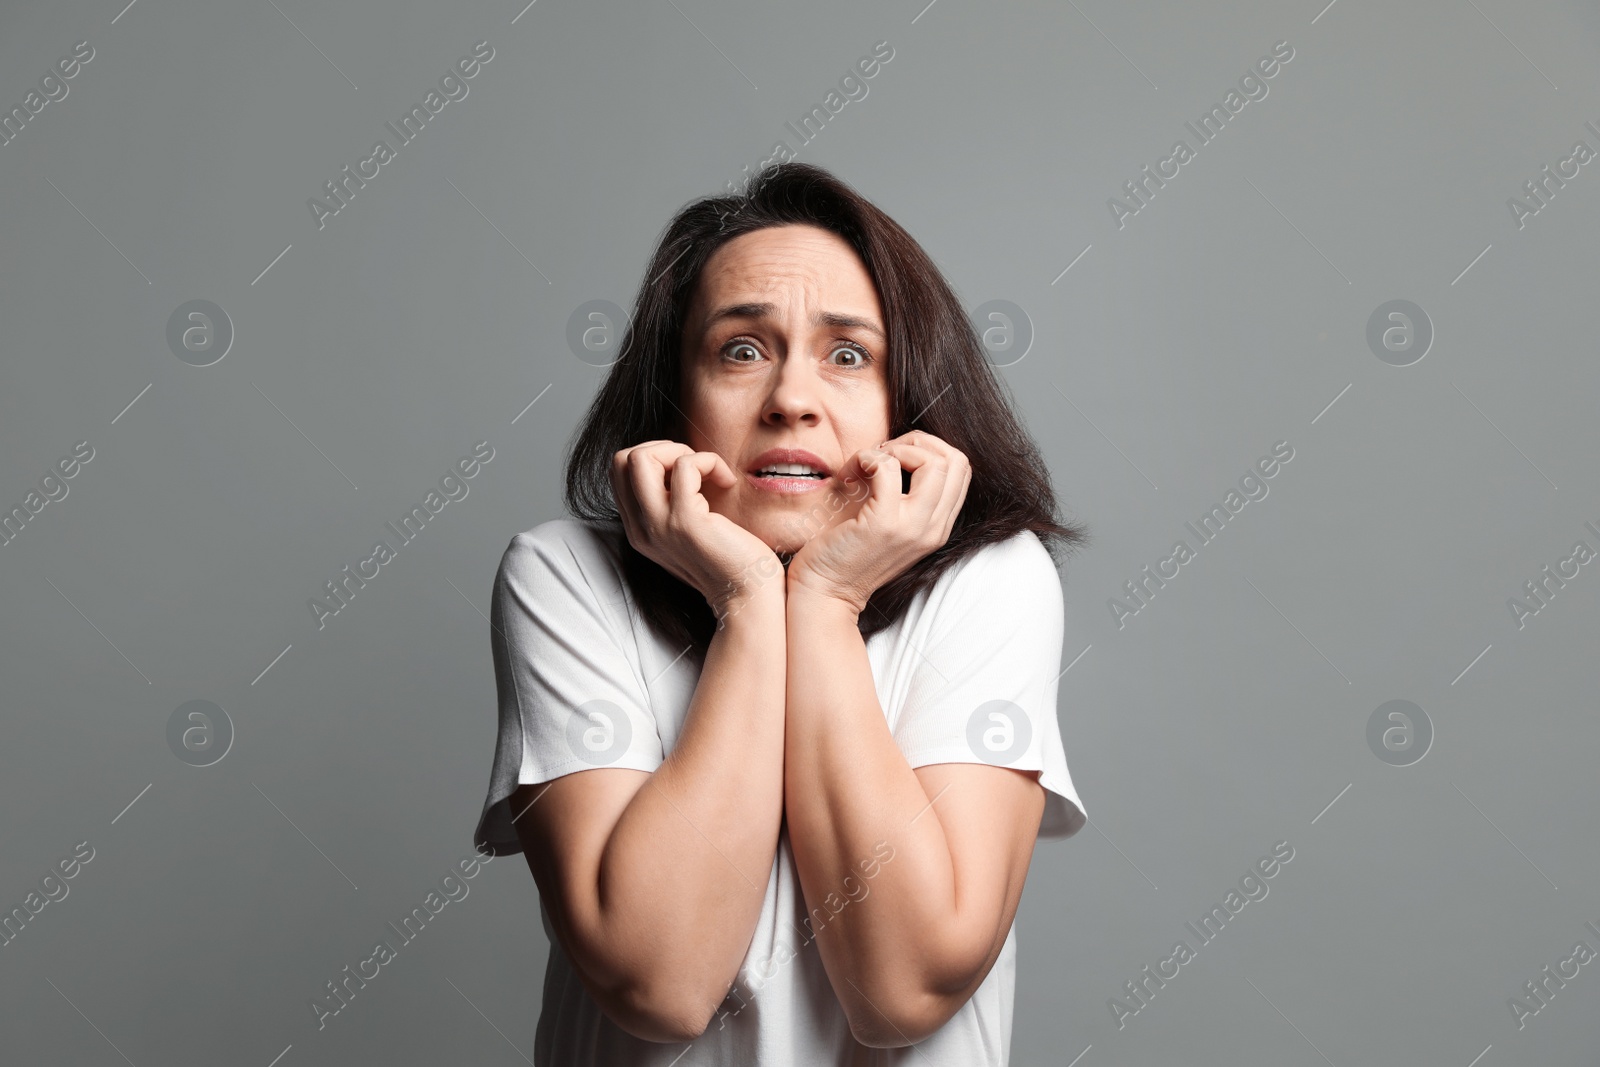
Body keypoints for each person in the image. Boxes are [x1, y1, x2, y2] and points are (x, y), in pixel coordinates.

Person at [473, 161, 1090, 1065]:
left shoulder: (992, 580)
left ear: (905, 401)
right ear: (674, 399)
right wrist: (750, 599)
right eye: (741, 349)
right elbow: (660, 982)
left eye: (848, 355)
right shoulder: (564, 575)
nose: (792, 399)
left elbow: (906, 986)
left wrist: (829, 599)